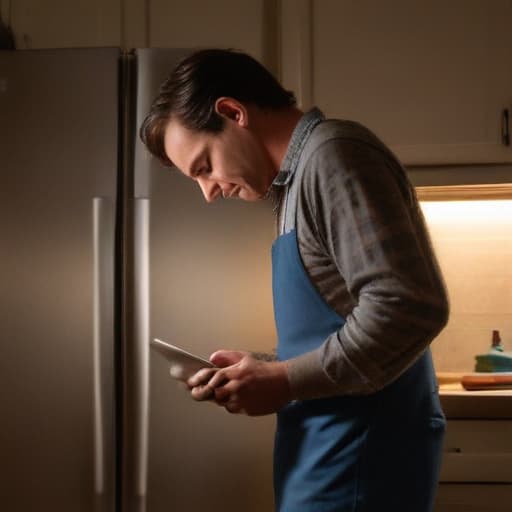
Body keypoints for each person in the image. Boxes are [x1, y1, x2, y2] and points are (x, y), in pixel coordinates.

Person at [140, 49, 449, 512]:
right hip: (325, 459)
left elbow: (408, 306)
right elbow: (337, 324)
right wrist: (261, 367)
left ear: (232, 112)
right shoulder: (294, 184)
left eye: (204, 167)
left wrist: (283, 379)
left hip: (361, 465)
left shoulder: (335, 157)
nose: (209, 192)